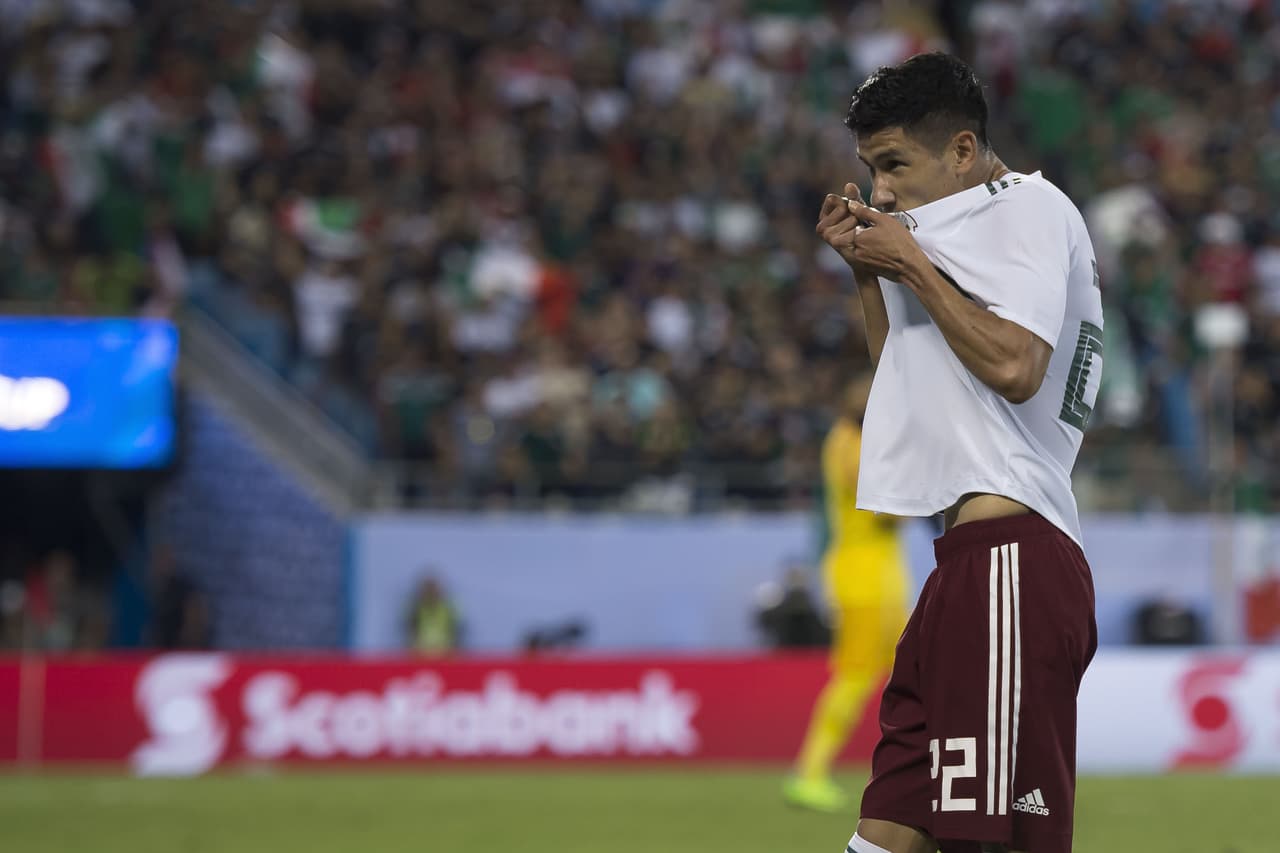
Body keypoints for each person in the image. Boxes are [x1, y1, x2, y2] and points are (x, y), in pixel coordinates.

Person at [815, 53, 1102, 853]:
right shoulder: (959, 240)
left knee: (994, 841)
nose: (881, 192)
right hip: (963, 567)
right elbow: (910, 390)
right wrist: (869, 277)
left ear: (965, 152)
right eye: (871, 170)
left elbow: (1016, 367)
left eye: (895, 164)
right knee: (887, 833)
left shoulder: (1029, 208)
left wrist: (908, 261)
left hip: (1014, 555)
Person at [784, 374, 910, 813]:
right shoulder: (848, 442)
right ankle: (809, 773)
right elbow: (884, 512)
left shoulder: (857, 440)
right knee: (856, 675)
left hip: (883, 575)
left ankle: (915, 771)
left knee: (908, 674)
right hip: (862, 578)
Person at [407, 576, 460, 655]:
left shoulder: (448, 610)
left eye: (433, 591)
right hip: (421, 655)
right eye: (428, 591)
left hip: (445, 654)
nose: (431, 594)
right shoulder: (416, 610)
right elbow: (411, 634)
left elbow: (455, 634)